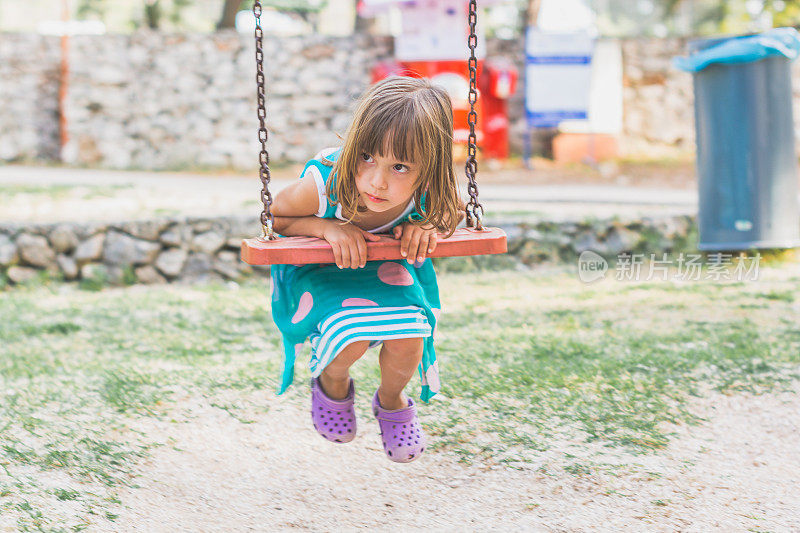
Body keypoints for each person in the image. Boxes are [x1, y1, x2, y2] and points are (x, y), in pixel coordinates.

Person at [269, 76, 461, 463]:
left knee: (410, 337)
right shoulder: (322, 184)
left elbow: (452, 212)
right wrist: (325, 227)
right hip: (322, 272)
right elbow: (276, 218)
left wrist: (425, 225)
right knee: (351, 336)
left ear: (429, 169)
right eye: (367, 156)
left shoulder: (429, 190)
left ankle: (391, 402)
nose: (377, 180)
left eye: (401, 166)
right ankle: (332, 380)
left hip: (384, 270)